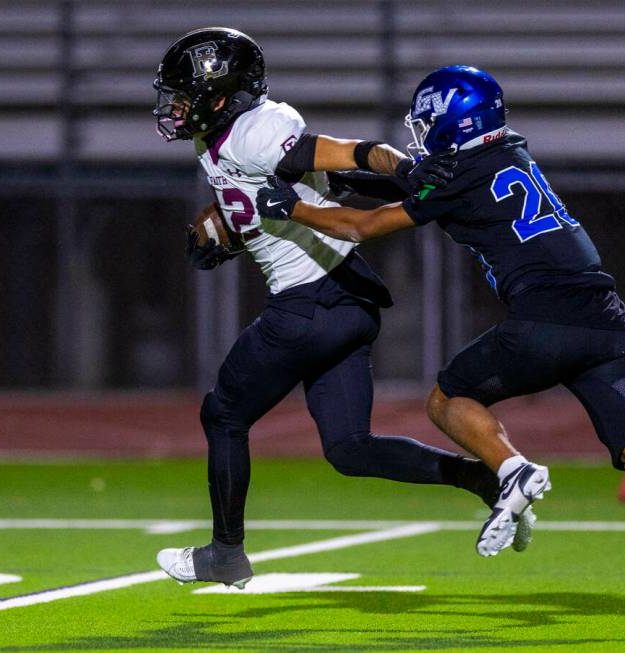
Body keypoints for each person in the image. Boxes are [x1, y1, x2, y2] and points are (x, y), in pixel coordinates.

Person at [256, 65, 625, 630]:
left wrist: (289, 208)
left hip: (545, 318)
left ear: (452, 121)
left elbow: (360, 229)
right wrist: (370, 179)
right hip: (608, 323)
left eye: (429, 122)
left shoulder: (460, 172)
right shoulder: (512, 151)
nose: (422, 132)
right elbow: (433, 186)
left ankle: (512, 470)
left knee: (447, 399)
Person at [151, 29, 504, 590]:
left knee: (223, 414)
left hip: (309, 302)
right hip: (348, 298)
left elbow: (348, 154)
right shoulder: (219, 136)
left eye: (185, 93)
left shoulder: (255, 130)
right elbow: (305, 189)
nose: (174, 106)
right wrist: (227, 227)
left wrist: (405, 169)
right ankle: (481, 480)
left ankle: (225, 552)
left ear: (223, 95)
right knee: (349, 448)